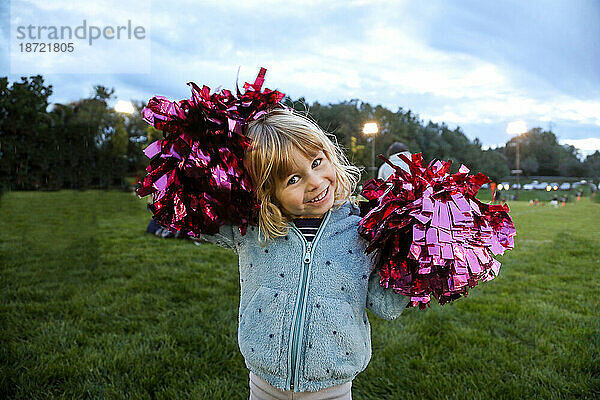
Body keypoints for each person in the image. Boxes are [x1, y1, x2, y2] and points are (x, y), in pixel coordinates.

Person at [197, 108, 410, 399]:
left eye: (317, 162)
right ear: (266, 192)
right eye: (292, 179)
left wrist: (416, 256)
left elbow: (386, 305)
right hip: (263, 387)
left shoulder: (364, 233)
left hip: (333, 390)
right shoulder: (252, 229)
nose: (314, 181)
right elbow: (195, 214)